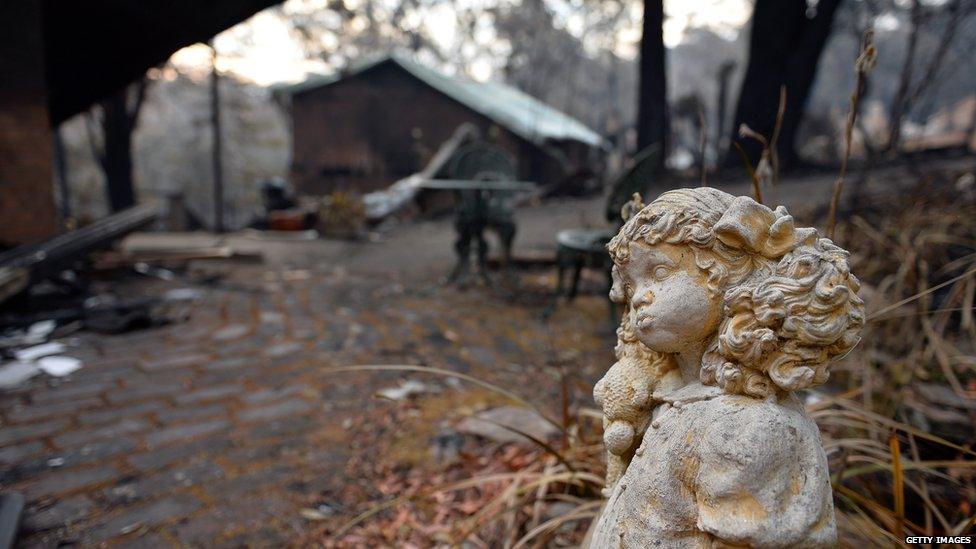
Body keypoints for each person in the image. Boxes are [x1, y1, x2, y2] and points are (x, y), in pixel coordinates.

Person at [589, 187, 864, 547]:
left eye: (659, 271)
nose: (639, 296)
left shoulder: (749, 427)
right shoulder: (673, 400)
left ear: (730, 276)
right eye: (632, 283)